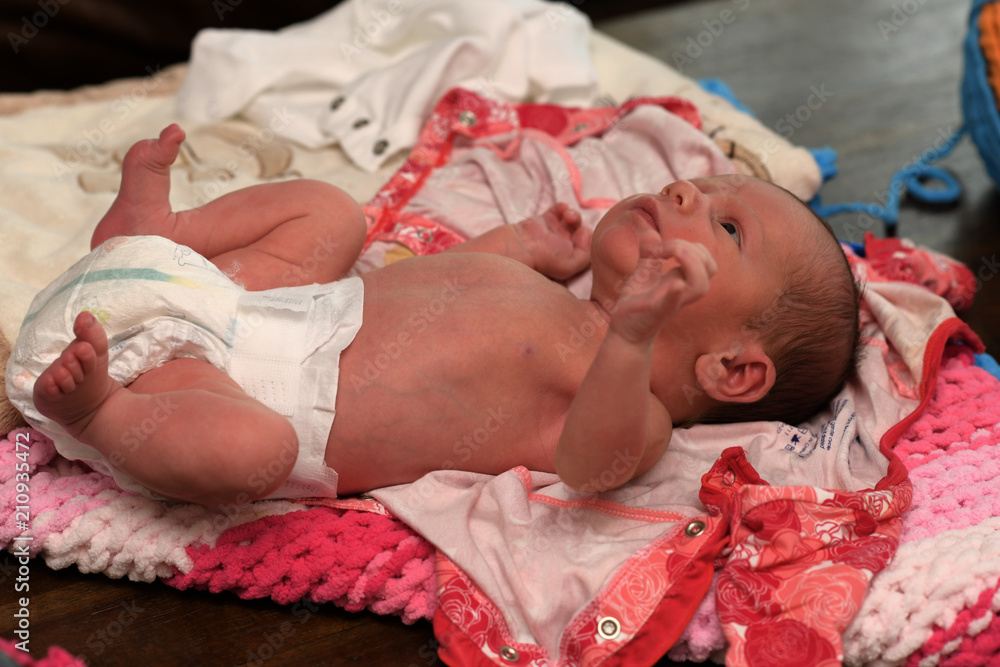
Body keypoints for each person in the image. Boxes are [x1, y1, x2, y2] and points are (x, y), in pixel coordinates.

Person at [6, 125, 860, 505]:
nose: (683, 190)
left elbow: (594, 466)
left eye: (725, 223)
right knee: (332, 215)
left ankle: (103, 415)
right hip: (238, 299)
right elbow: (443, 281)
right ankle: (163, 236)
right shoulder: (553, 301)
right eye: (701, 186)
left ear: (733, 369)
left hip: (223, 392)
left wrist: (632, 333)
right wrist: (520, 242)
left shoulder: (634, 411)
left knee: (249, 455)